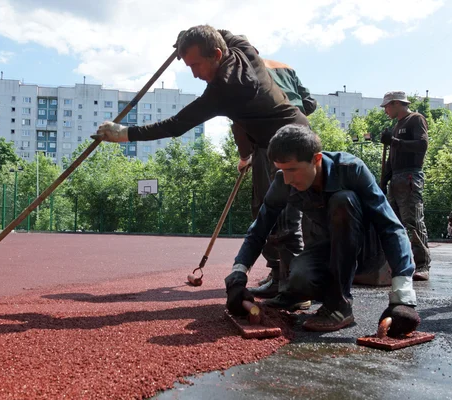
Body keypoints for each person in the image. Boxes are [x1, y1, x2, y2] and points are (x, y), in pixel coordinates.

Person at [93, 25, 310, 309]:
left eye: (196, 65)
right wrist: (186, 36)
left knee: (285, 219)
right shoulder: (242, 48)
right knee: (263, 211)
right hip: (265, 144)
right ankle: (280, 277)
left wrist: (124, 134)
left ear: (217, 55)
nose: (194, 73)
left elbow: (175, 125)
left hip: (290, 143)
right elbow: (224, 32)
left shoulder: (226, 90)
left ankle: (298, 291)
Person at [224, 124, 420, 334]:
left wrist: (403, 297)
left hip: (366, 253)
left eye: (292, 169)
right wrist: (238, 275)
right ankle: (296, 297)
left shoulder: (351, 169)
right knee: (300, 279)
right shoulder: (284, 181)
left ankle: (339, 304)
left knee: (343, 200)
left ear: (316, 160)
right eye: (281, 170)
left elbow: (391, 227)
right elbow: (259, 228)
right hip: (326, 249)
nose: (287, 179)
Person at [237, 58, 318, 299]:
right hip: (300, 136)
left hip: (269, 141)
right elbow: (310, 103)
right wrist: (293, 111)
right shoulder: (285, 67)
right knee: (296, 207)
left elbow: (240, 119)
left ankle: (281, 277)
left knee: (269, 207)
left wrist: (244, 156)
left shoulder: (242, 70)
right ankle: (290, 275)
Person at [380, 91, 431, 281]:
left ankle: (423, 265)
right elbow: (393, 157)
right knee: (395, 224)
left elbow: (422, 145)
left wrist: (393, 141)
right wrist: (385, 178)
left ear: (395, 103)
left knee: (413, 222)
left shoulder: (415, 119)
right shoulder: (397, 126)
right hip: (397, 178)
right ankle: (401, 264)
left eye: (386, 106)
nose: (385, 110)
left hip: (410, 175)